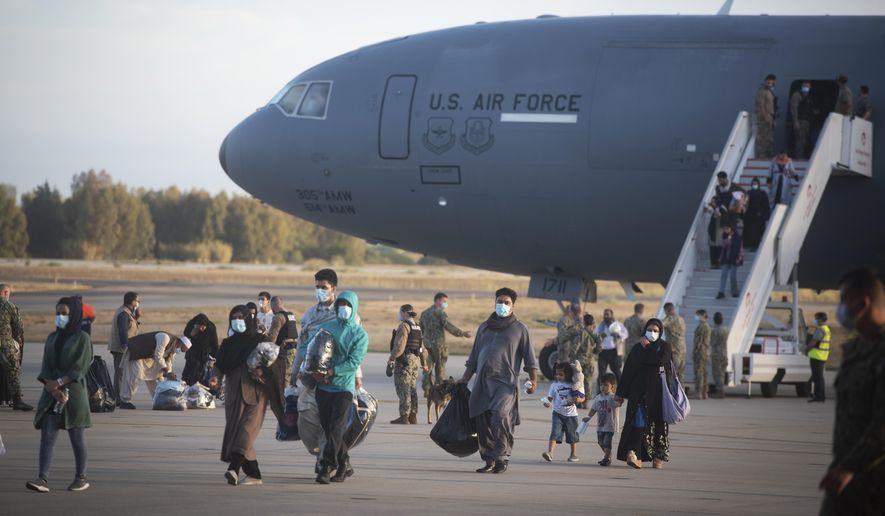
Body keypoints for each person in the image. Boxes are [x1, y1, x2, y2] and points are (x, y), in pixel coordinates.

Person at [818, 268, 885, 514]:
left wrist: (850, 467)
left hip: (874, 481)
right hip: (846, 476)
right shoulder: (856, 350)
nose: (840, 307)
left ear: (862, 303)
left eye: (843, 299)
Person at [458, 287, 538, 474]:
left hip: (505, 384)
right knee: (482, 421)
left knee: (500, 416)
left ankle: (502, 457)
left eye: (507, 302)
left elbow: (530, 359)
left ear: (513, 305)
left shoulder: (520, 329)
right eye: (500, 301)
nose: (502, 305)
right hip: (482, 382)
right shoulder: (484, 327)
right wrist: (464, 379)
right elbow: (474, 357)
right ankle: (489, 459)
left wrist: (533, 380)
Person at [26, 296, 92, 493]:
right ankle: (42, 478)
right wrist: (52, 388)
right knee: (47, 437)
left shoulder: (83, 338)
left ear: (73, 315)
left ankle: (81, 477)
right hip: (52, 395)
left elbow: (79, 368)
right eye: (57, 313)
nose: (60, 317)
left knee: (77, 438)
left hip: (74, 395)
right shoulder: (52, 338)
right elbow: (46, 366)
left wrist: (60, 383)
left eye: (64, 313)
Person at [209, 305, 268, 486]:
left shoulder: (260, 341)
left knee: (246, 431)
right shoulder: (228, 344)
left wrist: (262, 372)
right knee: (237, 432)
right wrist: (215, 378)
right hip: (234, 394)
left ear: (248, 319)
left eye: (241, 317)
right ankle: (254, 474)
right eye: (234, 318)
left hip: (257, 394)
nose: (237, 321)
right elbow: (220, 364)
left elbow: (274, 364)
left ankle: (233, 468)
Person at [313, 290, 368, 484]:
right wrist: (315, 371)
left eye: (348, 305)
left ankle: (327, 467)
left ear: (354, 308)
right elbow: (314, 349)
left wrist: (331, 372)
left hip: (343, 388)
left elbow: (353, 362)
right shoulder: (327, 327)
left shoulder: (360, 334)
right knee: (329, 429)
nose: (343, 308)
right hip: (323, 387)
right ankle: (345, 463)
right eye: (341, 305)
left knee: (336, 427)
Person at [615, 318, 673, 470]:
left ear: (660, 333)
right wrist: (620, 393)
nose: (652, 333)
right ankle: (636, 456)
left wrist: (648, 348)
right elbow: (628, 371)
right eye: (650, 329)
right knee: (638, 423)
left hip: (658, 393)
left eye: (656, 330)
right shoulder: (637, 348)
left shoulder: (664, 347)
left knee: (658, 424)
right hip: (639, 392)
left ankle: (657, 457)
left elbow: (660, 361)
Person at [117, 331, 190, 409]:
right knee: (134, 376)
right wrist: (167, 371)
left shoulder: (174, 349)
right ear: (180, 343)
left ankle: (159, 400)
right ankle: (125, 401)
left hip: (147, 357)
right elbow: (158, 355)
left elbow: (169, 361)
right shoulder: (165, 338)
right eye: (181, 349)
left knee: (156, 376)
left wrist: (169, 373)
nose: (180, 351)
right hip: (137, 352)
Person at [293, 268, 340, 385]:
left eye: (324, 288)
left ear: (333, 289)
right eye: (317, 287)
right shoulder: (309, 315)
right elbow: (301, 344)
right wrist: (294, 371)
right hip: (310, 374)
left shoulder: (343, 314)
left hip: (334, 374)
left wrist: (357, 376)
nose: (320, 290)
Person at [420, 292, 473, 396]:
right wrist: (462, 333)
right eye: (444, 301)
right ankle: (440, 391)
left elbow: (421, 328)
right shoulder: (440, 313)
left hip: (426, 346)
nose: (445, 304)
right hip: (438, 346)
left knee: (427, 368)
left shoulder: (424, 313)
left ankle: (427, 391)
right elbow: (448, 326)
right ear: (437, 300)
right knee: (440, 369)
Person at [388, 304, 427, 425]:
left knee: (403, 387)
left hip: (404, 360)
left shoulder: (404, 326)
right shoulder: (417, 327)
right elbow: (422, 348)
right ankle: (413, 415)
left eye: (400, 312)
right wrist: (424, 363)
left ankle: (404, 416)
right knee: (412, 387)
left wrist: (392, 358)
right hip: (415, 360)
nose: (399, 314)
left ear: (405, 313)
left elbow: (400, 345)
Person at [541, 362, 584, 463]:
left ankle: (573, 454)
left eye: (561, 374)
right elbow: (550, 397)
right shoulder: (554, 385)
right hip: (557, 413)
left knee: (572, 436)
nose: (558, 376)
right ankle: (550, 453)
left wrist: (579, 400)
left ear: (568, 374)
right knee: (554, 433)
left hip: (571, 415)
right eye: (557, 374)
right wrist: (546, 402)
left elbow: (583, 397)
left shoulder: (575, 384)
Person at [0, 283, 31, 411]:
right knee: (13, 370)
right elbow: (19, 328)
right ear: (6, 293)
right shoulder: (9, 306)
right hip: (5, 344)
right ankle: (17, 400)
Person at [583, 372, 621, 466]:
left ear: (612, 386)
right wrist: (588, 417)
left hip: (610, 426)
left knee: (606, 442)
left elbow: (619, 403)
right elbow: (593, 409)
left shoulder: (612, 397)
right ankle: (608, 454)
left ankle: (606, 458)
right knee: (600, 442)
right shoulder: (598, 398)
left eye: (606, 385)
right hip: (600, 425)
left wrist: (620, 399)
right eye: (601, 385)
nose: (603, 387)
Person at [109, 291, 139, 403]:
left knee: (121, 372)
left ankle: (118, 396)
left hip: (122, 347)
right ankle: (117, 397)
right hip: (121, 348)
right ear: (132, 301)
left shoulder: (126, 312)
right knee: (120, 373)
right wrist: (126, 345)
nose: (138, 303)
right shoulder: (124, 313)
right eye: (137, 301)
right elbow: (123, 331)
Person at [265, 296, 298, 391]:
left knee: (284, 378)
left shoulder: (278, 317)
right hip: (294, 350)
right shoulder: (291, 315)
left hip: (285, 352)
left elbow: (271, 338)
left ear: (273, 306)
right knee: (290, 376)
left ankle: (284, 401)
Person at [181, 314, 219, 387]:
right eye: (199, 326)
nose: (201, 328)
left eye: (203, 326)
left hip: (204, 354)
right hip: (193, 352)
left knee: (200, 374)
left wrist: (215, 358)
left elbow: (214, 343)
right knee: (188, 373)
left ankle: (197, 390)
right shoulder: (191, 324)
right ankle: (186, 389)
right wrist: (193, 333)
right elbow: (186, 334)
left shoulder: (211, 327)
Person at [596, 308, 628, 388]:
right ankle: (600, 391)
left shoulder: (617, 325)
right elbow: (596, 335)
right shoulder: (600, 325)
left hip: (614, 351)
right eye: (605, 314)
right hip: (603, 352)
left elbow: (625, 334)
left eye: (608, 314)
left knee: (617, 371)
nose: (606, 316)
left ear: (611, 315)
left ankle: (622, 389)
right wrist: (600, 337)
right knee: (601, 373)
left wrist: (618, 334)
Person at [806, 312, 830, 403]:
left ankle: (819, 397)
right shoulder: (826, 329)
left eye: (815, 318)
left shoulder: (820, 330)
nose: (814, 320)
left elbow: (813, 342)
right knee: (819, 378)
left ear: (820, 319)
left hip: (817, 357)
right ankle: (820, 396)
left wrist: (806, 350)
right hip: (822, 356)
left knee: (817, 378)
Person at [741, 178, 771, 251]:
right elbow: (744, 205)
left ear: (758, 185)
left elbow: (766, 205)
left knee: (758, 234)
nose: (754, 185)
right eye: (753, 184)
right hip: (749, 218)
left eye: (756, 184)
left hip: (759, 219)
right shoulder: (748, 193)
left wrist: (762, 214)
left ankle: (757, 246)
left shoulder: (762, 193)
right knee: (749, 233)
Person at [790, 81, 816, 159]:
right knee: (800, 141)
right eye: (804, 86)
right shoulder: (797, 95)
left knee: (805, 141)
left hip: (807, 122)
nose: (806, 88)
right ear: (801, 86)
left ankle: (802, 156)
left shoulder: (808, 97)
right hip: (800, 121)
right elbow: (794, 108)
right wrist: (795, 121)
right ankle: (799, 158)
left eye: (807, 86)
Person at [716, 224, 743, 299]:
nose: (725, 230)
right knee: (723, 275)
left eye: (727, 228)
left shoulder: (737, 237)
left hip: (734, 258)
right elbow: (724, 246)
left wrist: (739, 257)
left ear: (731, 229)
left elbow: (740, 248)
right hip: (726, 258)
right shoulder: (725, 236)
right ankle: (721, 292)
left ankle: (734, 292)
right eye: (725, 228)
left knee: (732, 276)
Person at [663, 303, 686, 385]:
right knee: (680, 374)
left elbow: (660, 324)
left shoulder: (670, 319)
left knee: (671, 373)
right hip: (682, 350)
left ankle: (672, 394)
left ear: (666, 311)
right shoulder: (681, 319)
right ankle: (681, 393)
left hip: (674, 350)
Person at [755, 74, 777, 159]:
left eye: (772, 82)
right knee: (762, 138)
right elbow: (761, 105)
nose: (771, 84)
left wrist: (772, 119)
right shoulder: (762, 91)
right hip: (763, 117)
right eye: (769, 82)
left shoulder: (769, 92)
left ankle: (768, 155)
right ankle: (761, 156)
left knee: (769, 138)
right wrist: (765, 117)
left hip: (769, 117)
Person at [693, 310, 711, 400]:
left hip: (700, 352)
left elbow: (698, 341)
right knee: (704, 372)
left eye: (697, 315)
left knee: (699, 372)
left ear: (702, 315)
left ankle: (699, 392)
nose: (696, 317)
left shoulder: (702, 326)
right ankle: (704, 393)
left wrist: (695, 351)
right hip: (705, 351)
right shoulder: (706, 326)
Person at [710, 312, 729, 398]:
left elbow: (712, 342)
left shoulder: (714, 330)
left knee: (717, 373)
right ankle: (721, 390)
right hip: (724, 353)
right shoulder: (725, 329)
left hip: (717, 354)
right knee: (722, 372)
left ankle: (720, 391)